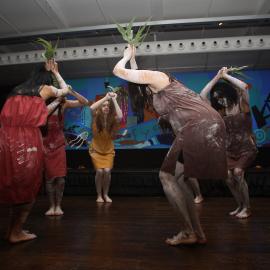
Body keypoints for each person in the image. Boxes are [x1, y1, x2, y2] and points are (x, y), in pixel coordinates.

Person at [113, 44, 227, 245]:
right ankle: (197, 233)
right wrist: (134, 61)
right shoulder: (157, 91)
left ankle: (187, 231)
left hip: (199, 125)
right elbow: (136, 75)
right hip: (205, 125)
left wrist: (126, 56)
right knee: (179, 178)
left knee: (165, 176)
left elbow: (119, 71)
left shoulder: (159, 77)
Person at [0, 60, 71, 243]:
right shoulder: (45, 88)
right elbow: (65, 90)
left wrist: (55, 103)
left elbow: (39, 113)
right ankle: (15, 233)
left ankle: (13, 229)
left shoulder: (15, 91)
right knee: (27, 188)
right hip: (27, 141)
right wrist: (56, 73)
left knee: (14, 186)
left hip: (5, 140)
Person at [200, 67, 257, 218]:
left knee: (238, 173)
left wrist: (226, 76)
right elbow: (203, 95)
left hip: (246, 148)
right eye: (217, 98)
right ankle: (240, 206)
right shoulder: (220, 112)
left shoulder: (241, 105)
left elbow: (244, 87)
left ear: (228, 93)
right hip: (229, 150)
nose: (220, 100)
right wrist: (217, 77)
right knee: (227, 176)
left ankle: (248, 208)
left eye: (221, 96)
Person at [43, 61, 89, 216]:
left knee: (61, 178)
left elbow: (85, 102)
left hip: (59, 145)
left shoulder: (64, 104)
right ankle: (51, 206)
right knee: (50, 179)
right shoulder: (43, 104)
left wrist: (71, 91)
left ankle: (58, 206)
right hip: (46, 145)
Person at [89, 92, 123, 203]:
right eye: (104, 105)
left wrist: (113, 100)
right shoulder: (95, 117)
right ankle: (99, 195)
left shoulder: (112, 120)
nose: (106, 107)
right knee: (99, 171)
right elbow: (91, 107)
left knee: (107, 171)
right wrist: (106, 98)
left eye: (108, 106)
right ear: (100, 108)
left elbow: (121, 116)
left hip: (108, 150)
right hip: (96, 149)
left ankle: (106, 194)